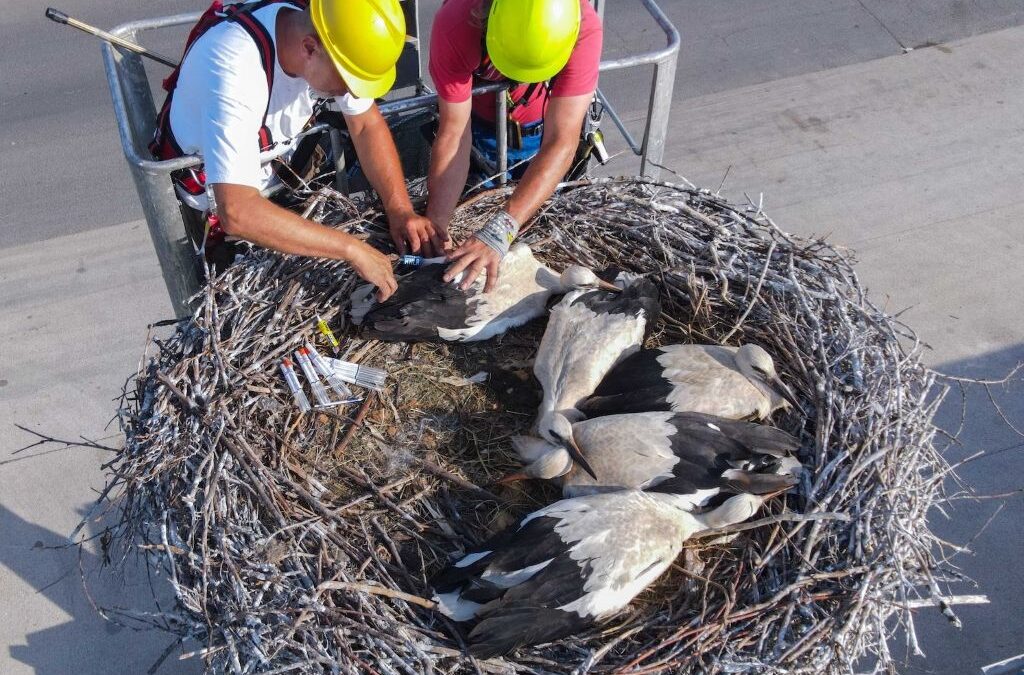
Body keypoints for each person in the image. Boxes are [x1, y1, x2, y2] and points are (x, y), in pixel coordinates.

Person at [151, 0, 435, 300]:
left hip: (276, 174)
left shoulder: (324, 30)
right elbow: (237, 211)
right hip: (218, 207)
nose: (352, 93)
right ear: (310, 48)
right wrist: (351, 249)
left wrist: (399, 209)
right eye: (349, 81)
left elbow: (365, 125)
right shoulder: (235, 68)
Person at [399, 0, 602, 292]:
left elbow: (561, 141)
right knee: (473, 213)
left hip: (540, 133)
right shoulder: (457, 21)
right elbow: (455, 132)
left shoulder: (581, 26)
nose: (518, 80)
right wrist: (437, 226)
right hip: (479, 130)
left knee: (535, 228)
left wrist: (501, 229)